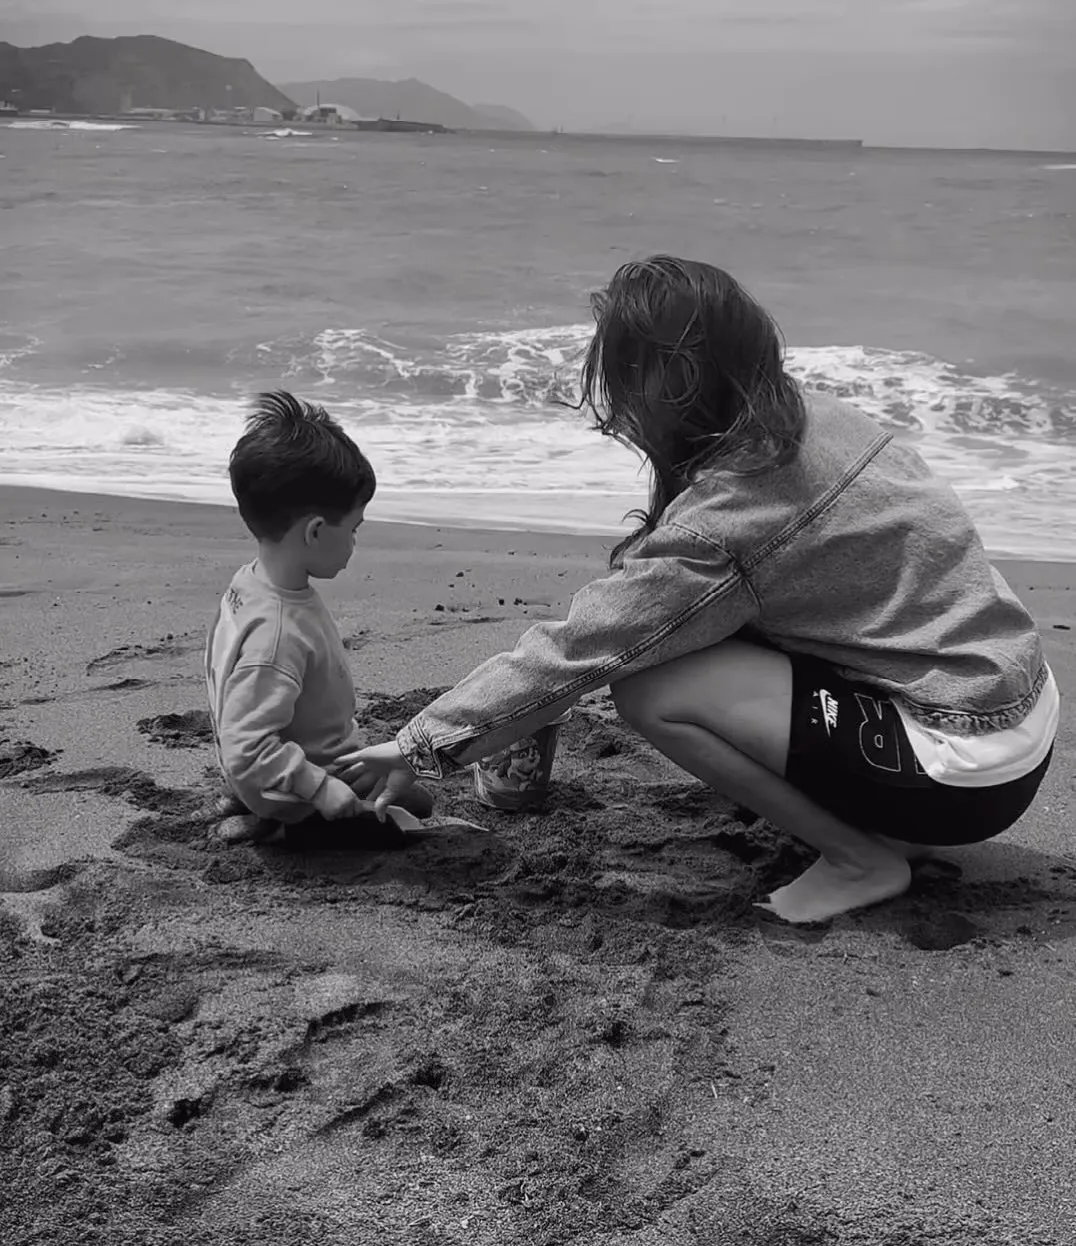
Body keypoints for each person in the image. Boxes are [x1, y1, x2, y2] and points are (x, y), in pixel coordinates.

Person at [340, 256, 1058, 923]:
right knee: (708, 632)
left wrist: (415, 746)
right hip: (1018, 707)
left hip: (960, 767)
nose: (617, 403)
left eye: (622, 375)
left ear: (672, 382)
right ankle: (875, 824)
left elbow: (587, 648)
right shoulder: (814, 418)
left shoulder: (735, 514)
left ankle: (859, 858)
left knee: (653, 689)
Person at [206, 391, 433, 842]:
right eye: (353, 529)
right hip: (299, 772)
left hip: (270, 757)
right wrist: (321, 787)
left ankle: (256, 798)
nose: (354, 542)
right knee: (415, 806)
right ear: (314, 532)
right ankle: (281, 823)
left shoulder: (251, 584)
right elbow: (247, 743)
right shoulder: (277, 634)